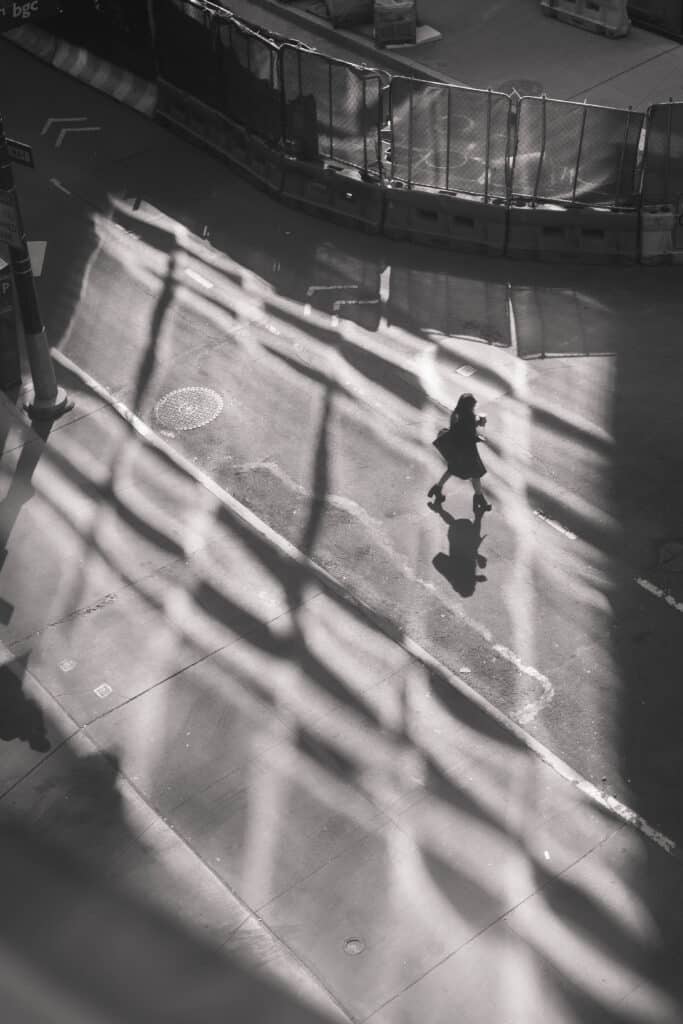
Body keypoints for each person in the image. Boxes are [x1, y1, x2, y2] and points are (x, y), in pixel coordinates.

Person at [428, 393, 492, 514]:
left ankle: (437, 488)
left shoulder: (457, 414)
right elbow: (468, 434)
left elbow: (462, 429)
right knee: (476, 474)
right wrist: (479, 437)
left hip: (457, 449)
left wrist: (477, 423)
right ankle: (479, 500)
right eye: (473, 406)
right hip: (467, 451)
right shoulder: (468, 418)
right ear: (469, 406)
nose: (474, 408)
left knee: (452, 469)